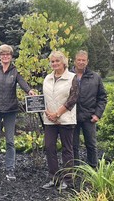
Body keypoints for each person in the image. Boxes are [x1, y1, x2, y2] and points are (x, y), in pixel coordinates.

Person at [0, 44, 35, 180]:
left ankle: (10, 170)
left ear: (11, 57)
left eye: (8, 54)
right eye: (3, 54)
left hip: (10, 110)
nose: (5, 56)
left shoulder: (15, 71)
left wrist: (29, 91)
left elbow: (22, 83)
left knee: (10, 141)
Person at [42, 51, 79, 190]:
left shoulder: (72, 78)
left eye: (57, 61)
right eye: (52, 61)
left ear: (64, 62)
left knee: (67, 150)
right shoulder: (47, 78)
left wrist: (57, 114)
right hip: (49, 120)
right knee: (49, 147)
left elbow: (73, 99)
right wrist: (48, 113)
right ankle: (54, 178)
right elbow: (43, 99)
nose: (55, 63)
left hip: (66, 120)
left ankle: (68, 180)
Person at [72, 50, 107, 168]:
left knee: (91, 145)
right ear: (75, 61)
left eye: (84, 60)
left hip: (89, 116)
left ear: (87, 62)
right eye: (79, 60)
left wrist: (97, 114)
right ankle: (74, 169)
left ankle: (93, 169)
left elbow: (102, 97)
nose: (81, 62)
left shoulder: (95, 77)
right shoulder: (68, 76)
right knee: (72, 145)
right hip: (72, 116)